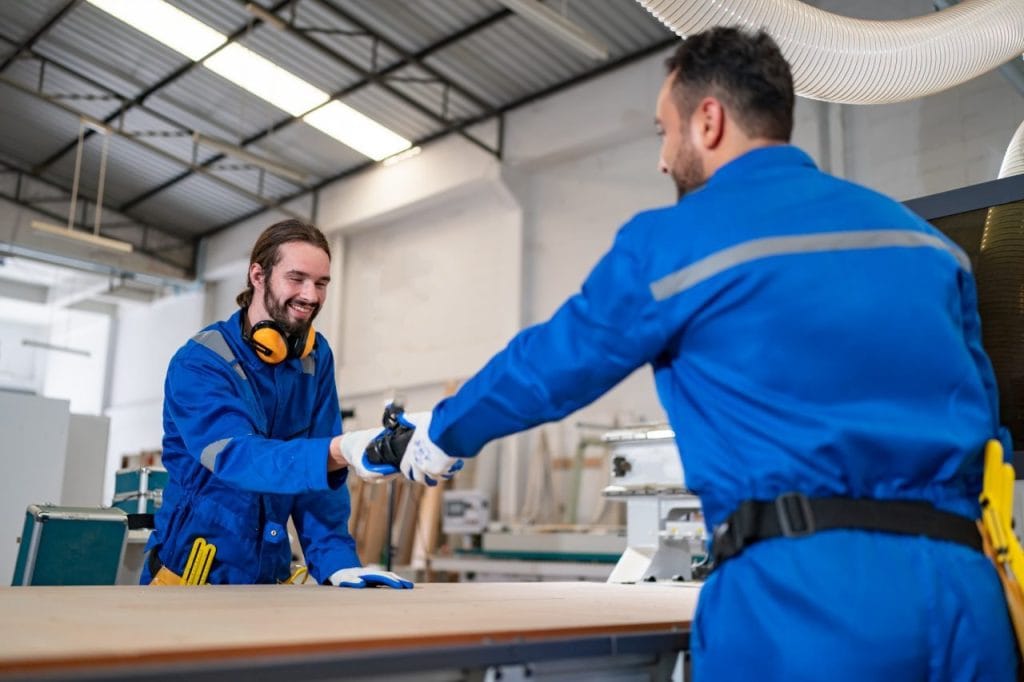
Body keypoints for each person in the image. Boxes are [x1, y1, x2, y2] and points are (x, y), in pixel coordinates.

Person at [392, 26, 1016, 681]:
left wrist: (445, 430)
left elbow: (555, 363)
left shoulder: (676, 242)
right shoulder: (929, 245)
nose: (663, 158)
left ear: (708, 120)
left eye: (664, 130)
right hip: (968, 595)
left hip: (808, 606)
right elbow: (989, 421)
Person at [142, 219, 412, 588]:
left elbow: (318, 484)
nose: (311, 296)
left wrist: (337, 563)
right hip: (192, 579)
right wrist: (340, 449)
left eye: (321, 283)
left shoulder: (314, 356)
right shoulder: (201, 362)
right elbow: (236, 457)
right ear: (258, 274)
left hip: (269, 577)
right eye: (296, 278)